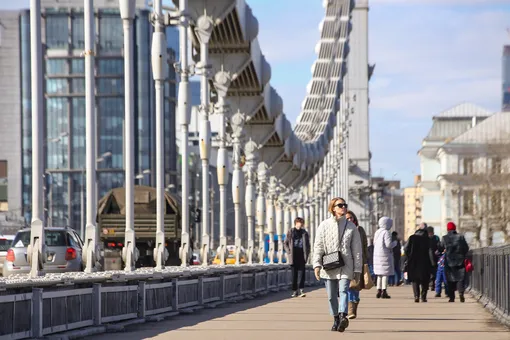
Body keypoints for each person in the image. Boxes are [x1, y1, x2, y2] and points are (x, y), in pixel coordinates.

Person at [313, 197, 362, 332]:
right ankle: (335, 318)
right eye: (340, 205)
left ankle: (342, 316)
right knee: (331, 296)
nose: (343, 207)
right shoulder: (324, 225)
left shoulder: (351, 227)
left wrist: (357, 270)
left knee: (344, 290)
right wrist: (316, 265)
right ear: (333, 208)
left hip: (346, 264)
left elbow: (357, 250)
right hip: (329, 265)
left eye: (344, 205)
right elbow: (318, 246)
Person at [345, 210, 369, 320]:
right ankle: (349, 309)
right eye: (347, 218)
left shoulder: (360, 230)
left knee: (355, 286)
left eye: (351, 218)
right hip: (345, 262)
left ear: (354, 219)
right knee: (347, 286)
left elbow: (365, 245)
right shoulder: (342, 230)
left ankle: (352, 306)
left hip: (358, 262)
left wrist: (365, 260)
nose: (349, 220)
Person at [441, 222, 469, 302]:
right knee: (460, 278)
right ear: (455, 228)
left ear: (447, 229)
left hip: (449, 261)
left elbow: (440, 247)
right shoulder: (460, 237)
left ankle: (451, 297)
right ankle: (461, 293)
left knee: (450, 279)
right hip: (460, 260)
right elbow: (466, 248)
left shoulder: (444, 238)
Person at [404, 224, 433, 302]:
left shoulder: (412, 238)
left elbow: (406, 248)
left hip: (413, 261)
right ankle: (423, 297)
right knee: (425, 280)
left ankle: (416, 296)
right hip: (425, 261)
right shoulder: (427, 239)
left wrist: (408, 256)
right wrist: (433, 263)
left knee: (415, 279)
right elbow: (430, 251)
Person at [284, 216, 310, 298]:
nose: (300, 225)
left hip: (301, 255)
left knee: (302, 274)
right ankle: (295, 291)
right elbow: (285, 243)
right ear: (296, 223)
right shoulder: (291, 231)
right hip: (293, 255)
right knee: (294, 274)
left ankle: (301, 290)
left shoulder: (304, 233)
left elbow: (308, 245)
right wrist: (288, 252)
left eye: (301, 223)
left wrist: (307, 253)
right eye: (299, 223)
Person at [373, 216, 397, 299]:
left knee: (379, 274)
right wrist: (395, 243)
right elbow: (388, 245)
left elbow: (374, 243)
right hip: (385, 256)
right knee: (385, 274)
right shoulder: (386, 232)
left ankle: (378, 290)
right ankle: (384, 291)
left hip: (377, 256)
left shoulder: (377, 232)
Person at [427, 226, 440, 290]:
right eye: (429, 233)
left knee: (434, 272)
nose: (430, 234)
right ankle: (429, 284)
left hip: (435, 257)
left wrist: (438, 250)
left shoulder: (436, 238)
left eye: (431, 233)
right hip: (427, 258)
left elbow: (439, 246)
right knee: (428, 272)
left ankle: (432, 284)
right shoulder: (425, 238)